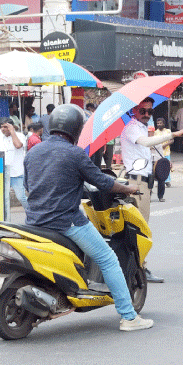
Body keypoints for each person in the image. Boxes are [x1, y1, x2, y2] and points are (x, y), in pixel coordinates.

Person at [23, 104, 153, 332]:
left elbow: (29, 186)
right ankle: (129, 317)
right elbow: (102, 181)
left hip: (34, 220)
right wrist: (127, 189)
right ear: (76, 129)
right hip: (66, 222)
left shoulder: (33, 152)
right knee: (108, 258)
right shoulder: (75, 154)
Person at [120, 97, 183, 283]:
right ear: (134, 110)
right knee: (141, 229)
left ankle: (137, 267)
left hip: (144, 183)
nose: (146, 114)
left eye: (149, 111)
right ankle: (140, 269)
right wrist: (175, 134)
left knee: (141, 228)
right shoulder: (132, 128)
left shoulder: (142, 128)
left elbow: (148, 149)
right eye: (142, 110)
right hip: (137, 184)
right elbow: (144, 143)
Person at [0, 117, 28, 212]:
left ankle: (32, 213)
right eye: (1, 127)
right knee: (2, 198)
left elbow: (18, 145)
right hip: (4, 173)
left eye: (5, 127)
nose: (3, 129)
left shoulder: (20, 136)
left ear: (11, 127)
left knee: (21, 197)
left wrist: (12, 132)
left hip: (17, 173)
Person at [153, 117, 173, 200]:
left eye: (160, 123)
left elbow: (172, 140)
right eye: (158, 123)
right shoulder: (155, 133)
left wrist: (164, 145)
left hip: (166, 153)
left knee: (164, 171)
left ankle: (161, 195)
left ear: (164, 124)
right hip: (156, 156)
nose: (159, 125)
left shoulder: (167, 131)